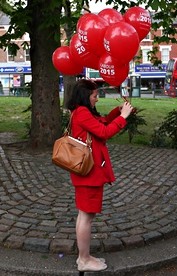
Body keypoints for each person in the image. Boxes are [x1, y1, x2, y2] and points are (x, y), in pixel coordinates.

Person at [66, 79, 133, 272]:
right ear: (85, 97)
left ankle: (84, 256)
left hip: (87, 171)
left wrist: (117, 113)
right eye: (94, 96)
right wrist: (123, 118)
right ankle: (83, 259)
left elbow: (100, 124)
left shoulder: (82, 112)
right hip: (89, 172)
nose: (97, 99)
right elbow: (104, 132)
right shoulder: (82, 113)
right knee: (86, 216)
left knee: (84, 214)